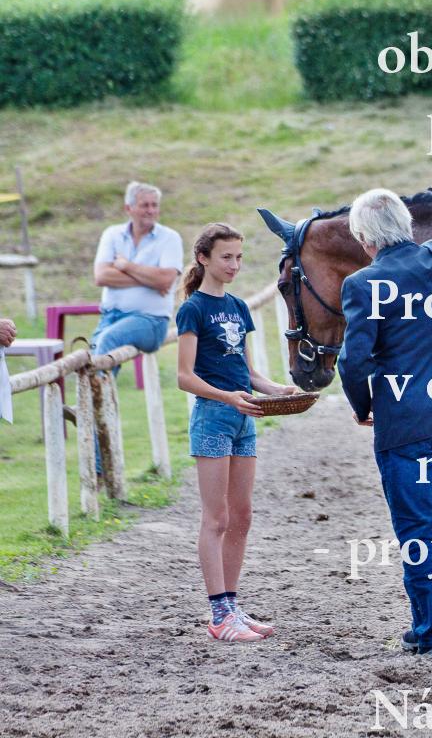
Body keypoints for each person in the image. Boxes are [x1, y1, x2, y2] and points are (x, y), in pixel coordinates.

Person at [337, 189, 432, 661]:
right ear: (407, 225)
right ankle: (430, 625)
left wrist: (363, 405)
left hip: (406, 420)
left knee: (416, 528)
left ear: (363, 237)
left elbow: (353, 360)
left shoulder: (363, 284)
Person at [176, 223, 299, 643]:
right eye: (226, 257)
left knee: (241, 517)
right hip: (213, 416)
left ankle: (231, 605)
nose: (234, 265)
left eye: (239, 257)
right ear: (204, 258)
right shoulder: (193, 309)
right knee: (216, 518)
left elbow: (247, 372)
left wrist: (276, 389)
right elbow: (184, 377)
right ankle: (218, 614)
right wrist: (228, 397)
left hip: (244, 418)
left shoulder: (238, 307)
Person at [92, 181, 184, 366]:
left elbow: (165, 280)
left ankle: (100, 387)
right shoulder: (112, 234)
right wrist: (150, 279)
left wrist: (126, 266)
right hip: (110, 316)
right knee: (89, 361)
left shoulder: (170, 238)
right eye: (145, 205)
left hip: (151, 321)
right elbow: (101, 276)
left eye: (154, 205)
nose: (151, 210)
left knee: (107, 341)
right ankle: (104, 387)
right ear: (129, 208)